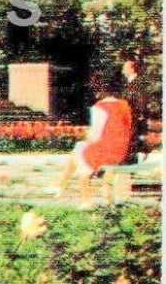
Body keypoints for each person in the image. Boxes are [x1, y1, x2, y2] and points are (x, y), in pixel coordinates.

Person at [56, 72, 133, 202]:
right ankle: (60, 186)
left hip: (107, 151)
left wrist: (86, 136)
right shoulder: (124, 105)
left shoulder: (100, 107)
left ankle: (84, 199)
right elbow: (127, 128)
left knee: (79, 152)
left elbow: (95, 136)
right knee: (80, 150)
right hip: (121, 151)